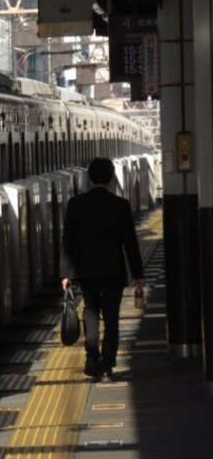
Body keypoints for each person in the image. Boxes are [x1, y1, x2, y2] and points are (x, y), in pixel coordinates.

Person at [61, 157, 145, 381]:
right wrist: (138, 276)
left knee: (90, 313)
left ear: (89, 178)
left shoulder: (76, 204)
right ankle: (107, 365)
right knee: (111, 318)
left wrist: (66, 274)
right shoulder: (120, 205)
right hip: (113, 272)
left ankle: (92, 357)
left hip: (86, 272)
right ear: (110, 178)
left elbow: (67, 241)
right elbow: (130, 243)